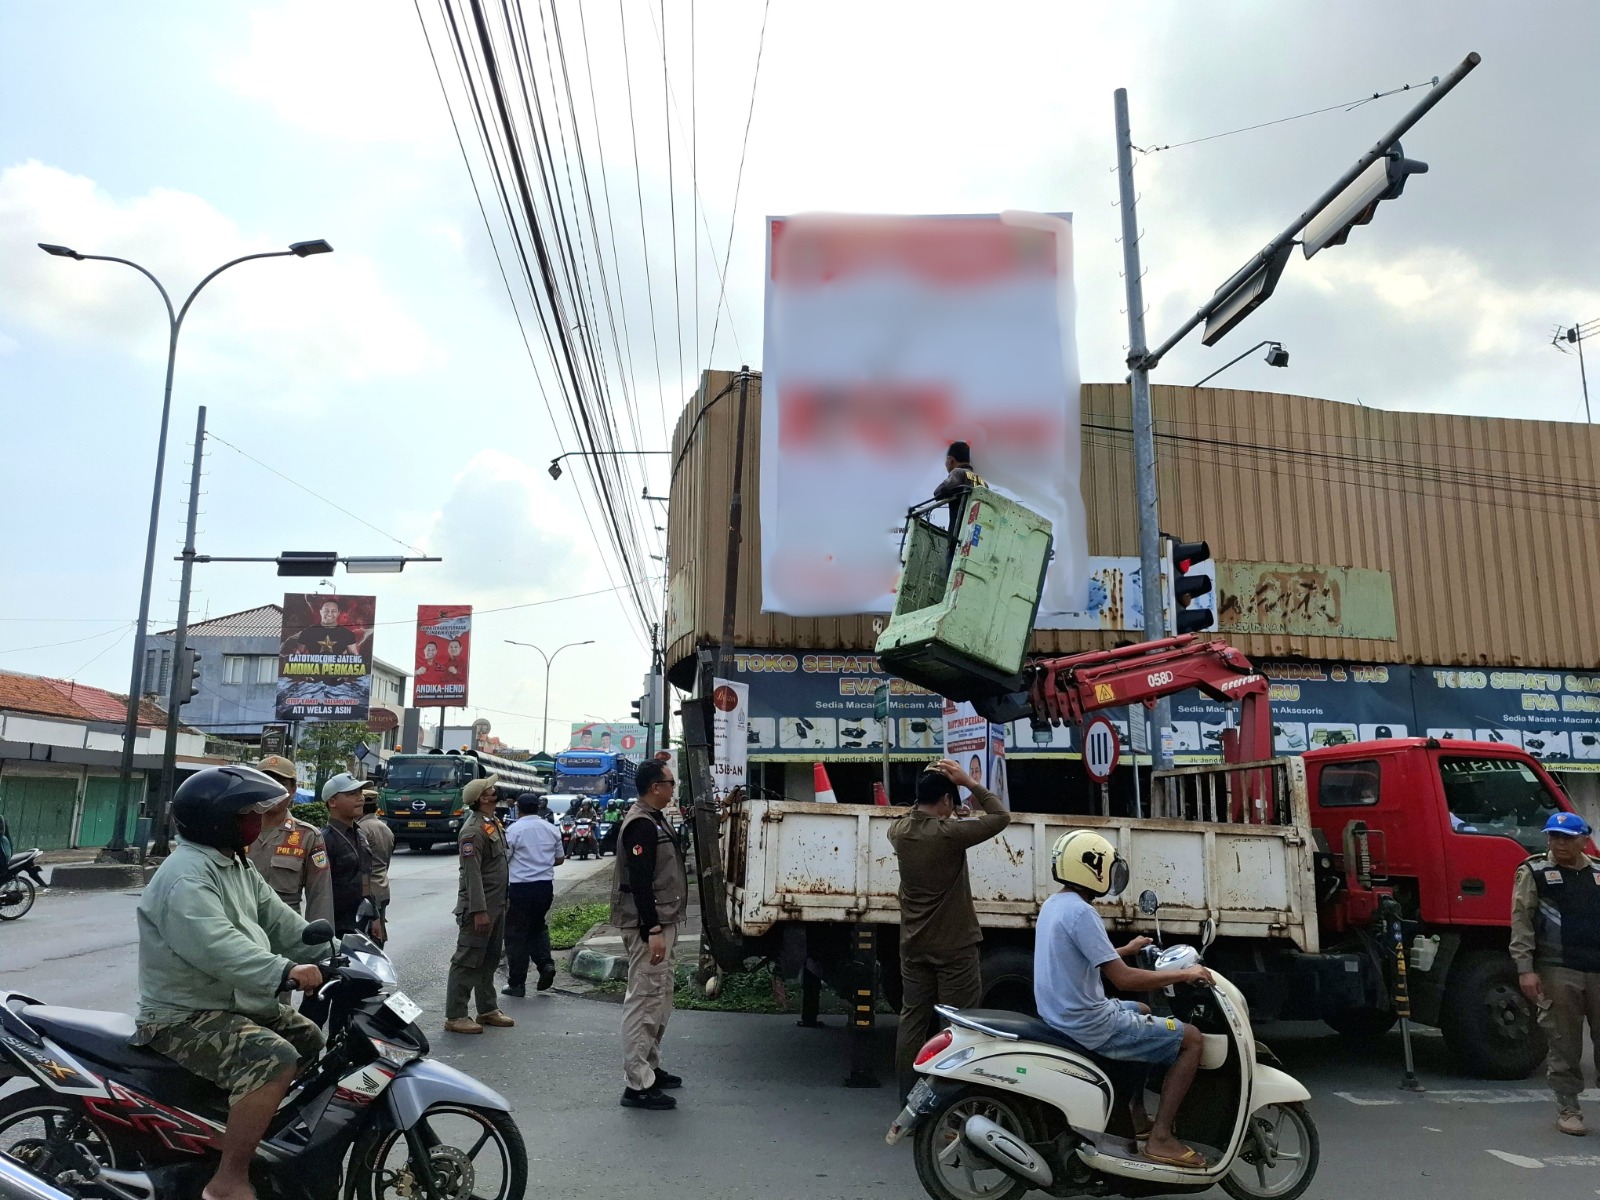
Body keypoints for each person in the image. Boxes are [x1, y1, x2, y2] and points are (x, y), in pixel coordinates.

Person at [131, 766, 328, 1200]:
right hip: (183, 1015)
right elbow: (216, 947)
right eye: (247, 814)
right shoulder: (186, 875)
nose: (257, 821)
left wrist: (332, 951)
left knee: (310, 1039)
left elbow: (280, 921)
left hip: (228, 1004)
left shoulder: (234, 862)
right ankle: (228, 1180)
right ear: (218, 820)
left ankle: (241, 1138)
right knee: (274, 1058)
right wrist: (284, 971)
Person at [1035, 830, 1215, 1169]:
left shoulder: (1055, 905)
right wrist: (1182, 974)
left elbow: (1082, 957)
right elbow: (1124, 979)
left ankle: (1135, 1114)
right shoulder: (1081, 913)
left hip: (1063, 1015)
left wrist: (1125, 950)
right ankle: (1161, 1138)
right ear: (1091, 868)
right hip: (1090, 1024)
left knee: (1144, 1010)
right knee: (1191, 1039)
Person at [888, 759, 1011, 1098]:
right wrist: (970, 783)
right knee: (958, 1027)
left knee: (912, 1022)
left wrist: (933, 783)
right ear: (945, 800)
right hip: (954, 948)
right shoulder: (950, 834)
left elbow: (919, 814)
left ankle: (907, 1101)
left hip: (913, 945)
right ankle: (946, 1105)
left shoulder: (899, 832)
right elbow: (1001, 817)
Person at [1510, 810, 1600, 1136]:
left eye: (1566, 837)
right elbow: (1521, 923)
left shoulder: (1597, 873)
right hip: (1558, 969)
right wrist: (1525, 969)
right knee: (1564, 1042)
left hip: (1598, 969)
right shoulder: (1534, 872)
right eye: (1553, 836)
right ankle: (1568, 1109)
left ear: (1583, 840)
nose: (1559, 843)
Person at [611, 759, 687, 1110]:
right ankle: (637, 1084)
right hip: (650, 926)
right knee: (644, 1001)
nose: (673, 788)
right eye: (670, 782)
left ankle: (650, 1066)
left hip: (664, 921)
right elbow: (639, 882)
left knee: (659, 998)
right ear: (655, 787)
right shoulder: (641, 824)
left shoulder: (655, 819)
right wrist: (652, 928)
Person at [445, 775, 514, 1034]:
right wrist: (479, 910)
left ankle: (487, 1009)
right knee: (467, 960)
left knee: (489, 959)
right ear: (483, 798)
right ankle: (455, 1015)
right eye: (491, 788)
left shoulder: (492, 822)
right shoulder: (473, 830)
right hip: (480, 908)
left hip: (496, 904)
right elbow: (471, 874)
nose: (496, 790)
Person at [245, 755, 332, 925]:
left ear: (293, 790)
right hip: (241, 931)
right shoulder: (235, 830)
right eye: (266, 782)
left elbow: (320, 896)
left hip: (286, 934)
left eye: (281, 784)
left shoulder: (308, 836)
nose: (272, 790)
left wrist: (320, 944)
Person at [503, 793, 567, 997]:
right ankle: (545, 964)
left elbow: (505, 859)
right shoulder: (551, 829)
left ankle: (517, 983)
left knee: (516, 933)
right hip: (544, 887)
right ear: (538, 807)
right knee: (538, 927)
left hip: (520, 887)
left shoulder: (513, 830)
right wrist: (541, 862)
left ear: (519, 809)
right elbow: (559, 859)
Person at [318, 775, 381, 940]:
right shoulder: (324, 839)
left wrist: (375, 916)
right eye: (351, 794)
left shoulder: (359, 834)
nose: (360, 798)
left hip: (363, 923)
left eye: (360, 792)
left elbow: (365, 878)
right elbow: (320, 890)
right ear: (332, 802)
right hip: (338, 928)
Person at [357, 783, 395, 945]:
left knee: (365, 939)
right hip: (382, 886)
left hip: (367, 890)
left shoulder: (360, 829)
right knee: (378, 933)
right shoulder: (385, 828)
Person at [932, 440, 987, 540]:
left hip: (957, 537)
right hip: (975, 538)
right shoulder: (983, 483)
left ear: (950, 460)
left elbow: (938, 492)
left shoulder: (957, 473)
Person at [285, 598, 360, 656]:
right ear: (320, 611)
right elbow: (298, 654)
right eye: (326, 610)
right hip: (312, 674)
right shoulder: (307, 632)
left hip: (338, 675)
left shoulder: (347, 635)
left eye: (333, 611)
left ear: (338, 613)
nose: (329, 614)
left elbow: (356, 657)